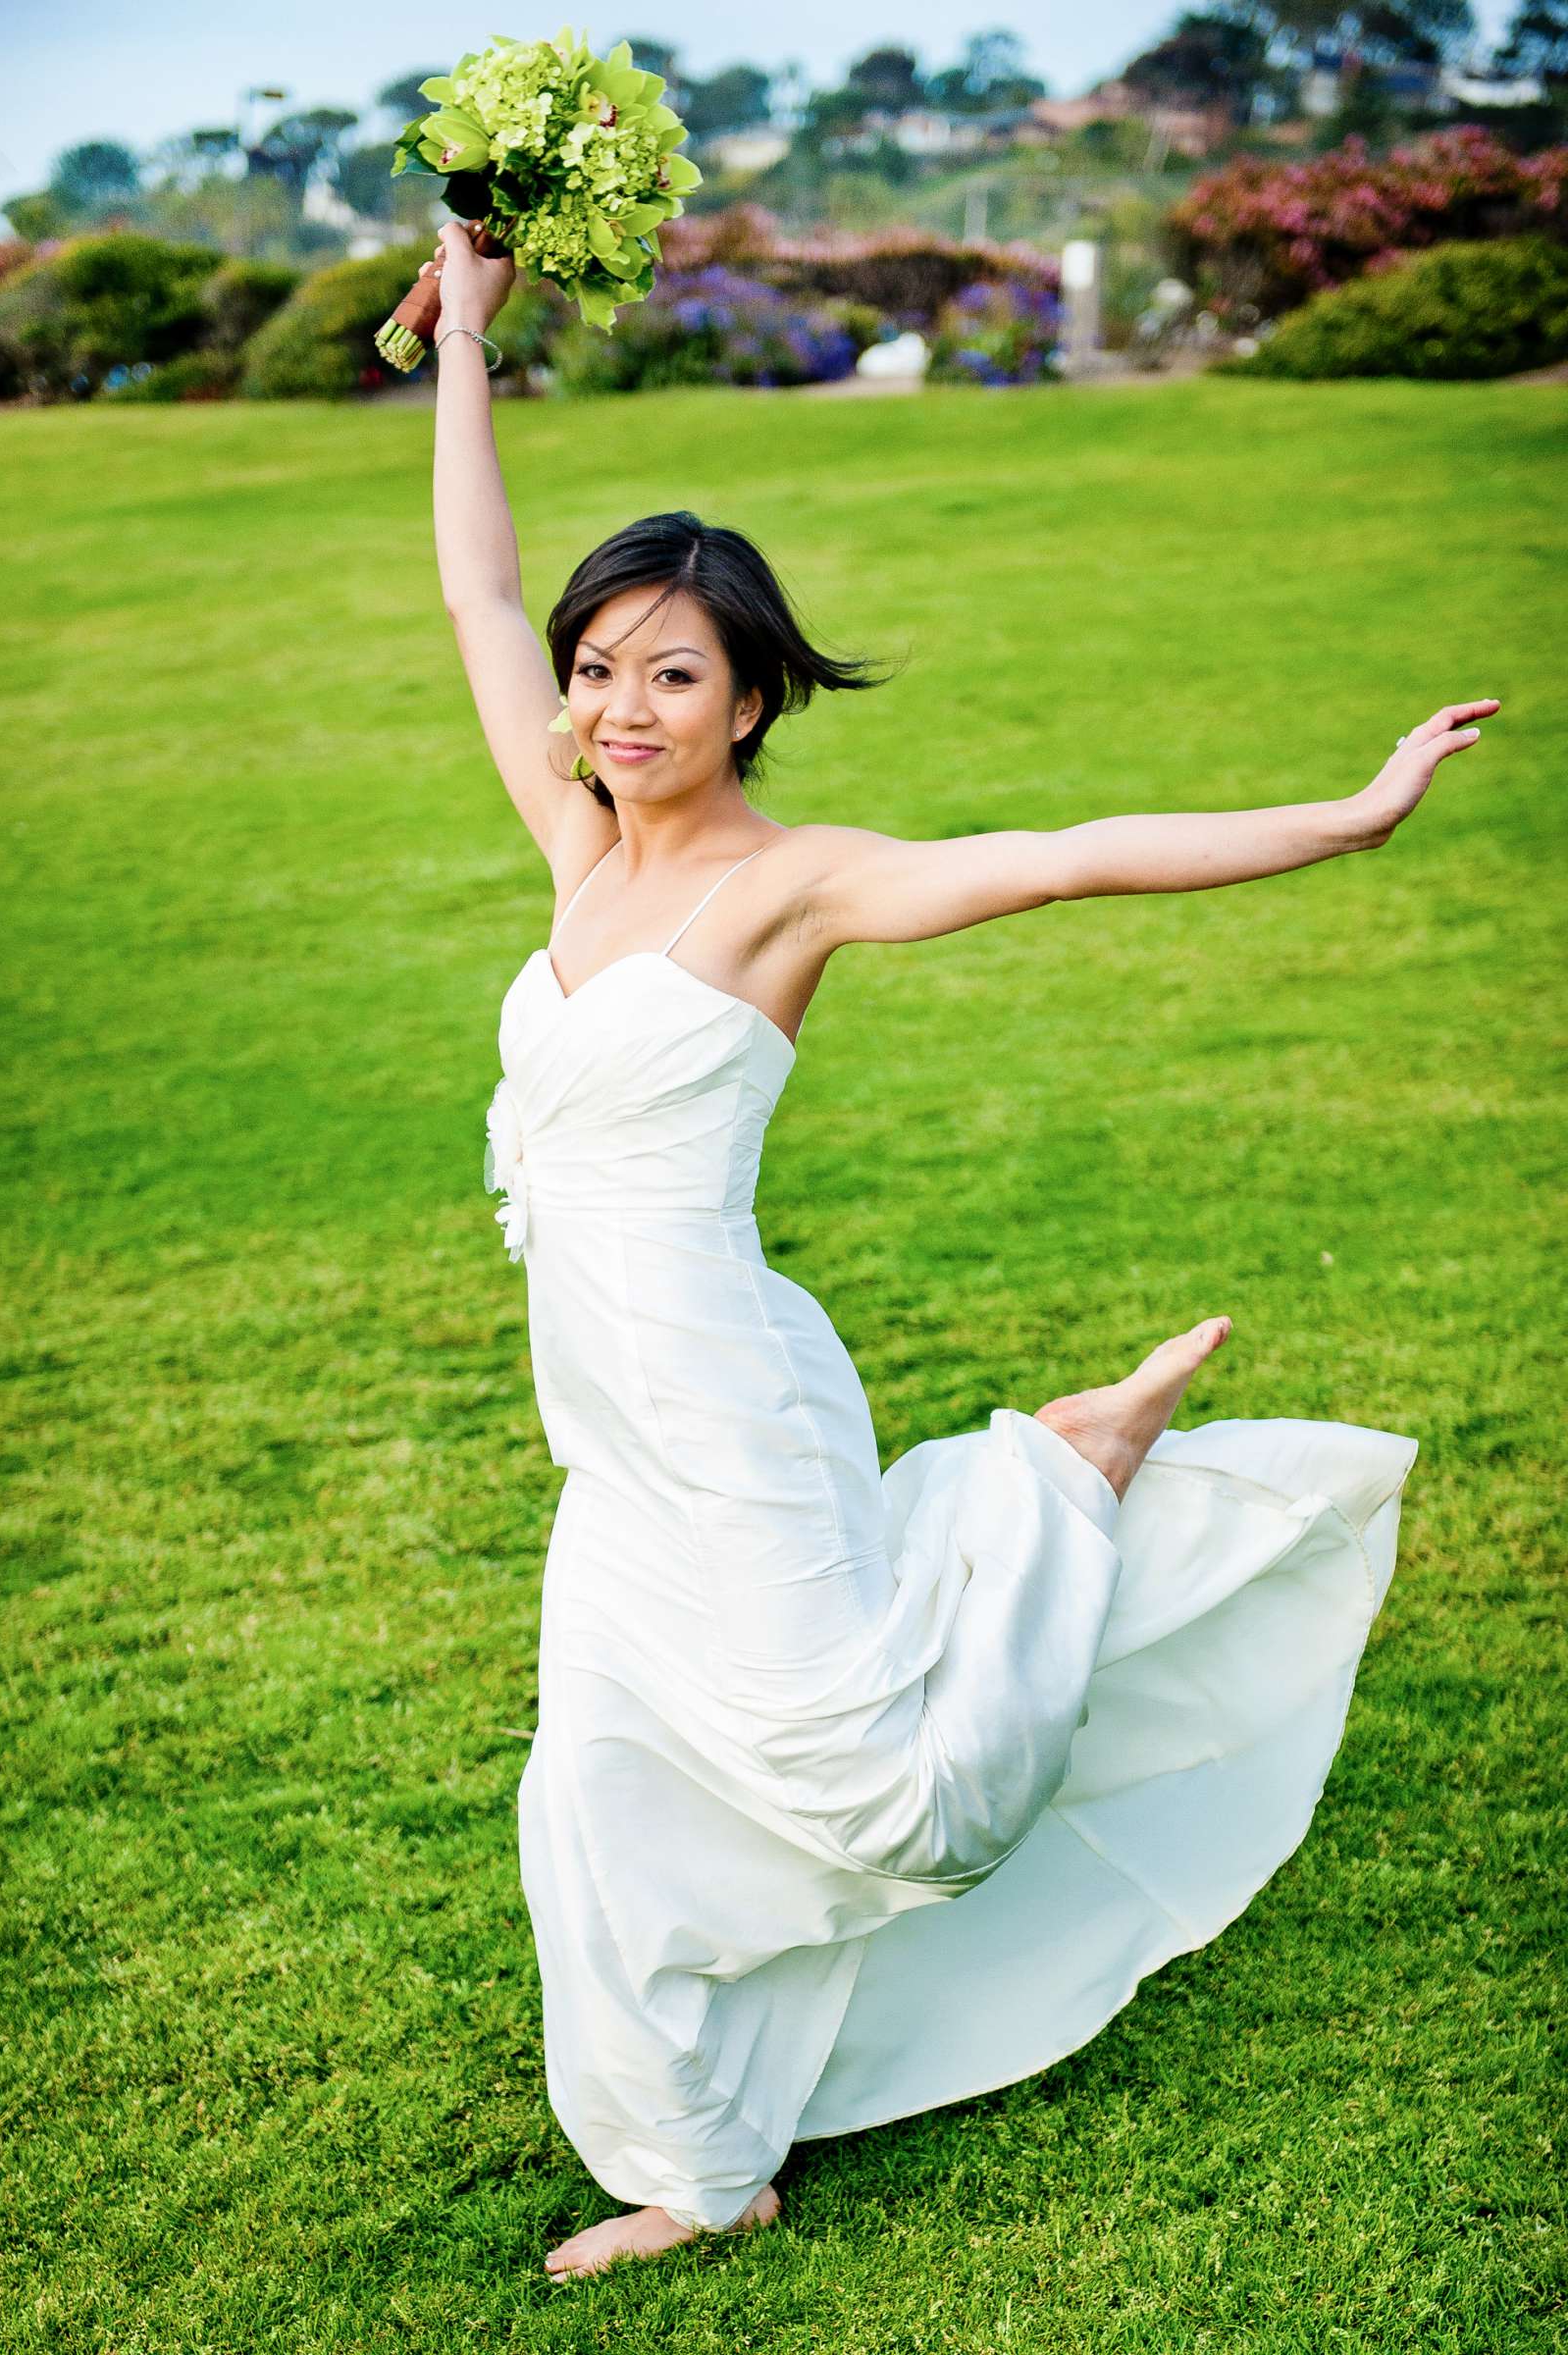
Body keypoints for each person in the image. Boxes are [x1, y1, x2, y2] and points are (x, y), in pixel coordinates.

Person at [425, 220, 1497, 2281]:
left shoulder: (787, 888)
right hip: (602, 1435)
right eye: (598, 667)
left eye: (672, 672)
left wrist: (1347, 816)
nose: (618, 703)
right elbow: (474, 585)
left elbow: (1070, 853)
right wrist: (467, 330)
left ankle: (1056, 1485)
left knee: (882, 1797)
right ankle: (700, 2165)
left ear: (748, 700)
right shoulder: (574, 849)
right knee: (599, 1792)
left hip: (720, 1396)